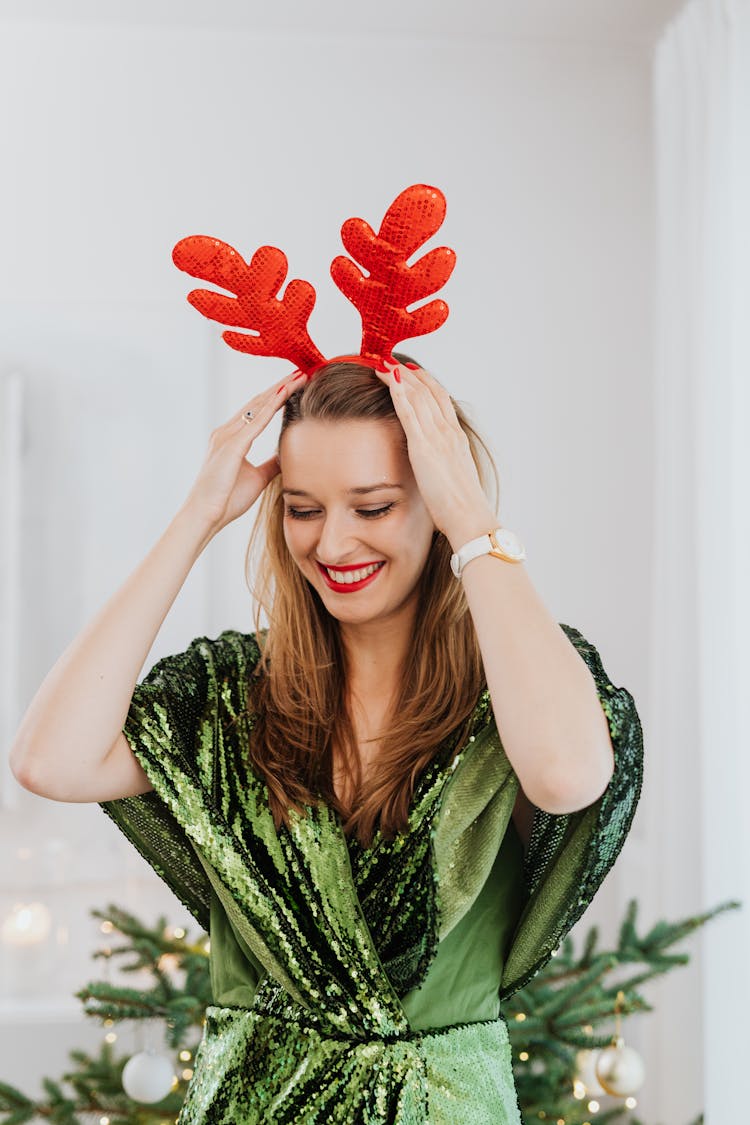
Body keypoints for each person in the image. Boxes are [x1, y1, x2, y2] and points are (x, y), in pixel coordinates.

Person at [10, 187, 644, 1124]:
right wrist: (195, 517)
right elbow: (49, 760)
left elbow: (566, 775)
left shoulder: (514, 680)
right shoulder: (229, 696)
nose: (334, 543)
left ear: (434, 498)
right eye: (302, 508)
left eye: (376, 505)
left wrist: (474, 518)